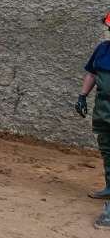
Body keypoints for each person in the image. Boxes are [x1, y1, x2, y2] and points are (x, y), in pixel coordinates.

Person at [75, 12, 110, 204]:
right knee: (107, 148)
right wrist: (82, 96)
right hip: (103, 107)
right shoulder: (103, 49)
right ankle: (109, 187)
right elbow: (92, 74)